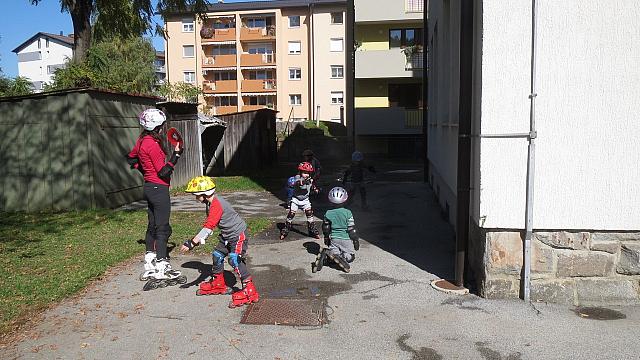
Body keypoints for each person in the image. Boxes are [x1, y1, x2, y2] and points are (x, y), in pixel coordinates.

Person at [127, 108, 185, 290]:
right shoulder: (151, 144)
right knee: (163, 227)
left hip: (148, 187)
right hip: (159, 189)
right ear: (157, 126)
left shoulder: (142, 140)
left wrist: (144, 171)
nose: (162, 128)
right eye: (161, 125)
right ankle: (162, 266)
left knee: (152, 225)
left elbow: (131, 159)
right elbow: (163, 171)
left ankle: (150, 262)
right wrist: (176, 154)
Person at [180, 176, 260, 308]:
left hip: (237, 235)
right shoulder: (211, 203)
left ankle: (249, 290)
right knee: (217, 255)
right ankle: (218, 283)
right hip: (227, 235)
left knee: (234, 259)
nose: (195, 198)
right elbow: (211, 226)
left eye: (196, 195)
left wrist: (192, 243)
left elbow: (208, 226)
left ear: (204, 194)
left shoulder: (216, 204)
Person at [313, 186, 360, 273]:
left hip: (334, 239)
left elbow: (326, 227)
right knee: (350, 256)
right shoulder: (348, 213)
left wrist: (326, 238)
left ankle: (326, 259)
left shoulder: (328, 213)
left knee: (334, 255)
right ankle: (344, 258)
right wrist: (355, 240)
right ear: (345, 199)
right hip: (346, 239)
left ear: (330, 200)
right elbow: (351, 229)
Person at [280, 162, 320, 240]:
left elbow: (312, 185)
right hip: (296, 199)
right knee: (291, 214)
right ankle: (286, 229)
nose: (306, 175)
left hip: (305, 200)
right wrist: (305, 181)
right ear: (300, 172)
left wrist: (315, 189)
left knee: (309, 214)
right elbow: (299, 183)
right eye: (304, 173)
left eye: (308, 173)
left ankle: (312, 229)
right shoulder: (297, 177)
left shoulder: (309, 179)